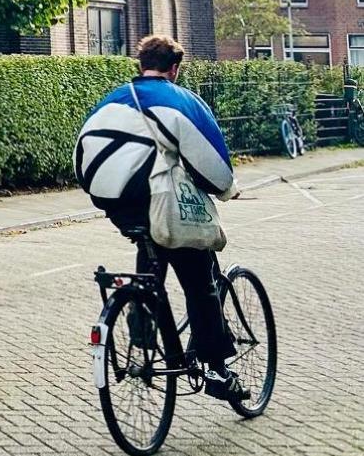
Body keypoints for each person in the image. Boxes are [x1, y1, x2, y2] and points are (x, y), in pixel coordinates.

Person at [75, 33, 246, 400]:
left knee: (153, 251)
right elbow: (212, 163)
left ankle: (142, 335)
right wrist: (227, 189)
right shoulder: (180, 100)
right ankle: (217, 370)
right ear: (175, 68)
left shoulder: (110, 101)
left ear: (140, 66)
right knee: (200, 280)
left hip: (114, 203)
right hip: (156, 201)